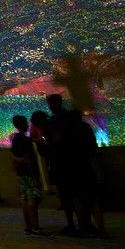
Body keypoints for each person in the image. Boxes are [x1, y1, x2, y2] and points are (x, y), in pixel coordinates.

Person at [11, 115, 51, 237]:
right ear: (24, 124)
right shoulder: (26, 141)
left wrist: (19, 162)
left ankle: (28, 227)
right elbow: (30, 160)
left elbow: (12, 156)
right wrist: (35, 177)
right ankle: (35, 228)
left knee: (25, 200)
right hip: (29, 174)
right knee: (32, 200)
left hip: (21, 174)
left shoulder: (16, 138)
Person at [45, 93, 76, 235]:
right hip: (71, 160)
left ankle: (72, 224)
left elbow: (55, 141)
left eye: (51, 104)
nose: (50, 107)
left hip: (62, 162)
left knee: (67, 194)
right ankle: (81, 223)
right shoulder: (69, 118)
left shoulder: (56, 120)